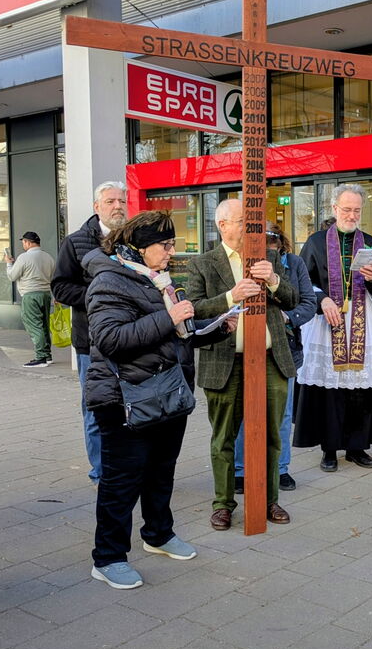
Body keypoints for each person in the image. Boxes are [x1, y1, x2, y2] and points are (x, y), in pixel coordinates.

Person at [83, 210, 233, 589]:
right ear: (139, 247)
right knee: (121, 482)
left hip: (166, 393)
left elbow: (178, 330)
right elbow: (110, 339)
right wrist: (170, 317)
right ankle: (108, 557)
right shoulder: (109, 281)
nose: (171, 252)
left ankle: (159, 534)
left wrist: (215, 328)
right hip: (123, 400)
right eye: (165, 246)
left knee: (161, 471)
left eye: (172, 245)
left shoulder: (158, 279)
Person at [184, 198, 298, 530]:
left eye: (253, 222)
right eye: (244, 222)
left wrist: (273, 280)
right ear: (223, 226)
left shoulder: (269, 258)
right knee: (224, 438)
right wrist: (230, 297)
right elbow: (193, 308)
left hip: (270, 360)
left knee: (272, 434)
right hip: (225, 362)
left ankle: (269, 498)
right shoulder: (203, 263)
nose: (252, 228)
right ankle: (223, 503)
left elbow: (293, 299)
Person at [294, 183, 372, 471]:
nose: (352, 215)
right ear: (334, 208)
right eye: (347, 209)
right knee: (330, 389)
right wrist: (321, 299)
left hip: (362, 324)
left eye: (357, 210)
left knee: (359, 389)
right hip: (327, 324)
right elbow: (302, 282)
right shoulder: (315, 242)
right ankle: (329, 449)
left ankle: (356, 447)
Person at [52, 181, 127, 485]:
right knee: (96, 409)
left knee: (130, 408)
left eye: (121, 200)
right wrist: (100, 296)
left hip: (130, 340)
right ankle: (101, 473)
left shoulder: (133, 238)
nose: (118, 206)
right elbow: (60, 287)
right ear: (97, 207)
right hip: (91, 344)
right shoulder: (76, 242)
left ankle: (126, 468)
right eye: (110, 201)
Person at [233, 225, 316, 492]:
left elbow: (308, 303)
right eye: (260, 239)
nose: (267, 244)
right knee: (243, 411)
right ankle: (240, 470)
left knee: (282, 413)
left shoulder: (293, 263)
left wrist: (287, 317)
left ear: (281, 242)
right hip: (246, 348)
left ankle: (280, 469)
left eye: (272, 239)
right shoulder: (241, 262)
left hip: (285, 349)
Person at [4, 232, 55, 367]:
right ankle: (47, 355)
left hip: (30, 295)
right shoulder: (48, 257)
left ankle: (41, 357)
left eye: (23, 243)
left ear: (28, 242)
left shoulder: (24, 257)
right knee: (44, 325)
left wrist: (9, 264)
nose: (23, 245)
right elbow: (53, 278)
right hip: (46, 294)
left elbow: (12, 276)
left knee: (34, 326)